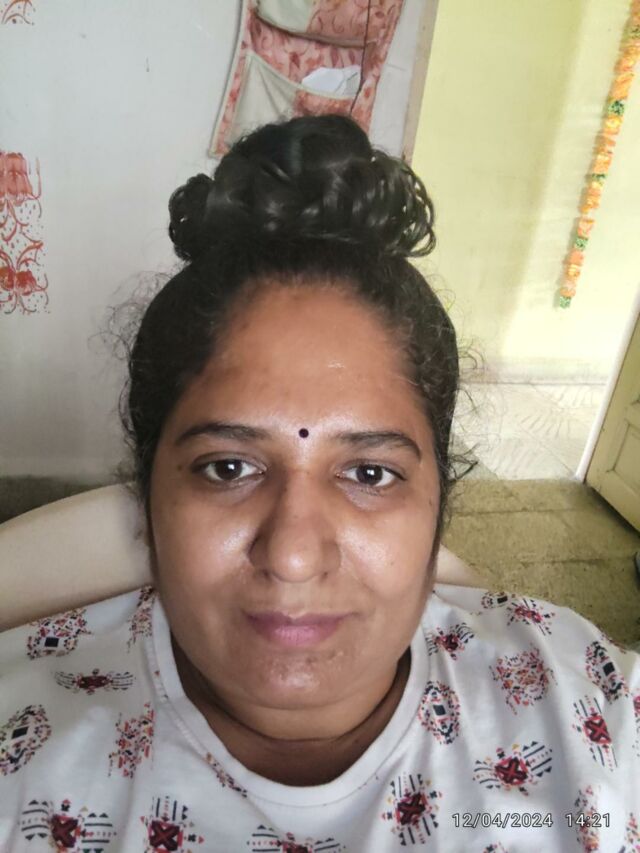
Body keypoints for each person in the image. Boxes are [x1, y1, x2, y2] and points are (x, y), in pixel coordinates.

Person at [1, 115, 638, 852]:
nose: (294, 556)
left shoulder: (591, 707)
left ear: (441, 504)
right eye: (228, 467)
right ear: (147, 493)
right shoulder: (24, 757)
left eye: (369, 473)